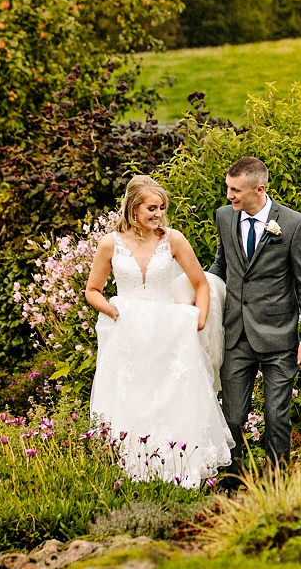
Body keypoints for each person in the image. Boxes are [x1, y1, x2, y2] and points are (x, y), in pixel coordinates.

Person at [84, 175, 233, 487]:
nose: (158, 214)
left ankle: (179, 475)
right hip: (128, 337)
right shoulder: (110, 244)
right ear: (134, 208)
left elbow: (201, 283)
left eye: (162, 208)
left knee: (173, 402)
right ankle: (131, 476)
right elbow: (93, 290)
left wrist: (200, 319)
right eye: (152, 208)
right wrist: (114, 310)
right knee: (130, 401)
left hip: (170, 336)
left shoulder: (173, 240)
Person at [208, 157, 301, 476]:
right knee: (231, 417)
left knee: (276, 416)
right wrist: (196, 290)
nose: (229, 196)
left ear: (259, 189)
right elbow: (222, 266)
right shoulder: (224, 218)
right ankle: (232, 480)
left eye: (235, 190)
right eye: (228, 188)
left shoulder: (293, 224)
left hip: (278, 336)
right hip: (237, 335)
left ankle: (276, 483)